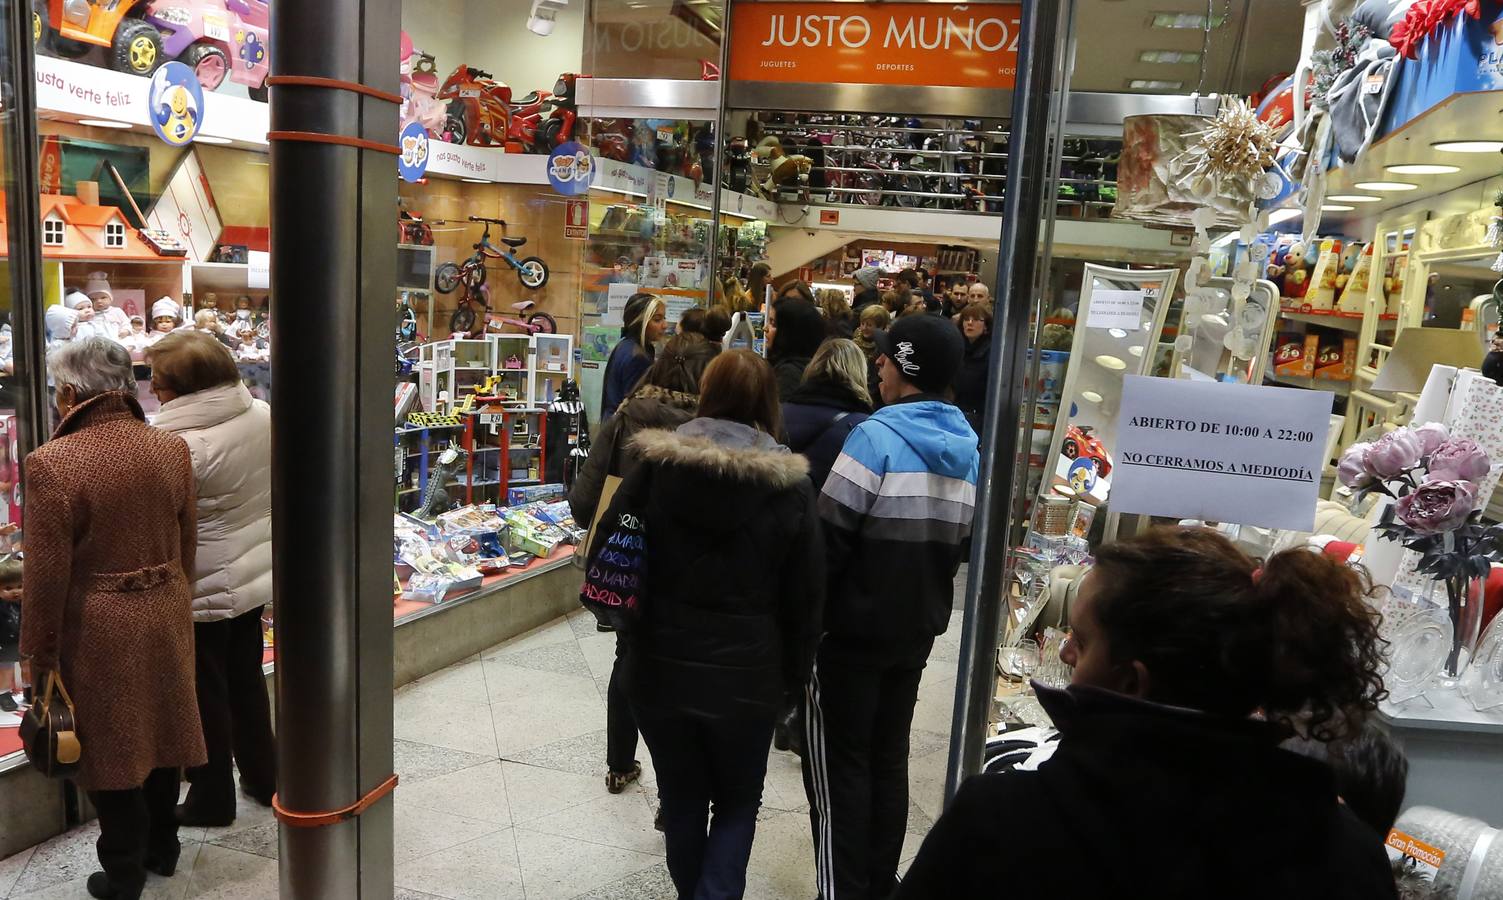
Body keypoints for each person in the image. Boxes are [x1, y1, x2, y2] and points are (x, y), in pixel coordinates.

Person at [896, 528, 1396, 900]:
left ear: (1131, 682)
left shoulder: (1004, 820)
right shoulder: (1347, 853)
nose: (1067, 652)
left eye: (1083, 640)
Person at [622, 349, 824, 900]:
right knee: (738, 802)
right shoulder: (791, 488)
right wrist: (795, 676)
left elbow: (616, 556)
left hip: (659, 664)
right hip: (749, 671)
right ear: (767, 402)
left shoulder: (655, 468)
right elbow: (807, 597)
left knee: (682, 798)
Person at [21, 337, 205, 900]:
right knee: (162, 735)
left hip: (99, 626)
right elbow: (187, 543)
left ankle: (123, 872)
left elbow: (46, 576)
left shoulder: (53, 464)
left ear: (72, 392)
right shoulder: (169, 448)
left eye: (58, 390)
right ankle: (163, 851)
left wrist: (39, 654)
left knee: (111, 752)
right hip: (167, 605)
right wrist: (174, 593)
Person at [803, 315, 978, 900]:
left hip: (850, 634)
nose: (874, 364)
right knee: (888, 757)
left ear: (904, 367)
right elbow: (959, 543)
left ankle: (843, 890)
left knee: (841, 768)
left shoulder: (873, 438)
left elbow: (826, 542)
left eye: (882, 356)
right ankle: (879, 883)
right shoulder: (967, 450)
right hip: (915, 631)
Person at [569, 335, 718, 795]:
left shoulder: (628, 413)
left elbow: (583, 497)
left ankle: (619, 763)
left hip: (628, 561)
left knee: (628, 659)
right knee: (685, 673)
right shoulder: (712, 426)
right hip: (691, 571)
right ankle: (675, 789)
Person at [146, 332, 276, 828]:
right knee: (246, 679)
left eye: (158, 384)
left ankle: (212, 796)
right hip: (251, 572)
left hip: (200, 584)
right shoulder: (261, 414)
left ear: (184, 388)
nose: (153, 391)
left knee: (205, 694)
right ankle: (266, 776)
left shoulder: (178, 445)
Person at [782, 339, 872, 491]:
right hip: (825, 511)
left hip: (783, 509)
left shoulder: (778, 413)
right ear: (860, 372)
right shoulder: (863, 428)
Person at [601, 292, 666, 422]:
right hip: (624, 433)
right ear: (640, 322)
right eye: (657, 320)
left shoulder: (625, 345)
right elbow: (636, 409)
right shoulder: (638, 357)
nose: (664, 325)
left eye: (664, 318)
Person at [767, 293, 827, 401]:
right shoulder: (810, 367)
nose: (765, 328)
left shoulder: (789, 374)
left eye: (773, 323)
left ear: (789, 331)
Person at [952, 303, 993, 434]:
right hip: (957, 412)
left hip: (980, 416)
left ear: (986, 326)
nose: (970, 323)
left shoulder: (992, 351)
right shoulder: (956, 347)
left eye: (975, 320)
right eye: (966, 319)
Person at [852, 305, 889, 410]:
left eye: (869, 325)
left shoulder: (884, 348)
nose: (863, 328)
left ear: (881, 327)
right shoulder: (854, 342)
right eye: (862, 323)